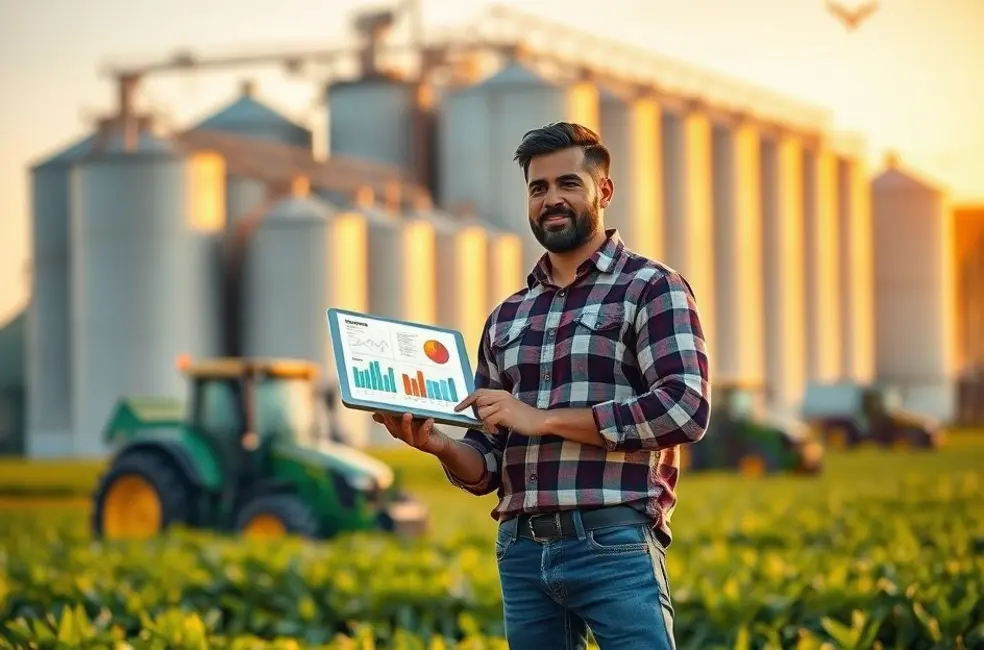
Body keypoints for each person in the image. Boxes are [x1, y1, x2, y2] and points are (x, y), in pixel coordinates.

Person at [373, 121, 711, 650]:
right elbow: (487, 460)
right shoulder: (507, 316)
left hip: (613, 539)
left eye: (567, 184)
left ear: (604, 190)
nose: (551, 199)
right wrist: (437, 443)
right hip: (521, 551)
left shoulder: (651, 287)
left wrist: (543, 419)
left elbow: (684, 407)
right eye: (538, 188)